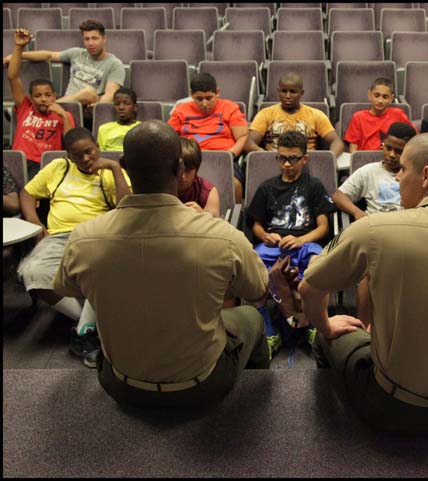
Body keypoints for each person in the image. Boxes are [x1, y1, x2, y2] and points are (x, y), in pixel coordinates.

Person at [298, 131, 428, 434]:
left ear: (425, 176)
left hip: (390, 408)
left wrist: (326, 325)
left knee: (327, 336)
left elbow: (309, 288)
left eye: (403, 169)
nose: (398, 178)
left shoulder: (374, 229)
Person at [53, 120, 270, 410]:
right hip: (201, 387)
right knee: (252, 319)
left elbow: (65, 287)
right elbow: (257, 289)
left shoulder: (84, 237)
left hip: (120, 385)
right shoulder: (223, 236)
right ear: (181, 168)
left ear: (124, 164)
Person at [17, 127, 131, 367]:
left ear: (97, 147)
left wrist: (114, 168)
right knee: (30, 272)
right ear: (68, 155)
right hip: (58, 237)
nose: (86, 159)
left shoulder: (110, 171)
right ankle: (88, 325)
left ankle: (86, 332)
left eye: (89, 152)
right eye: (78, 155)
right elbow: (27, 194)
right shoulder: (58, 168)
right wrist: (37, 226)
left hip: (97, 235)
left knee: (98, 269)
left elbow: (126, 207)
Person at [246, 131, 337, 359]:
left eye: (293, 158)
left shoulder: (313, 186)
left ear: (304, 159)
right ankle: (269, 332)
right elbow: (255, 225)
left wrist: (300, 240)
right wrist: (265, 235)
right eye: (282, 158)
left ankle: (314, 324)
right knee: (253, 269)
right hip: (273, 245)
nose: (286, 164)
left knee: (318, 265)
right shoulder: (267, 187)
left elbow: (324, 227)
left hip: (306, 242)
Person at [333, 122, 417, 326]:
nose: (391, 154)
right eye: (388, 148)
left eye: (399, 151)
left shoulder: (415, 175)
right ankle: (365, 327)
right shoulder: (369, 171)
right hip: (376, 232)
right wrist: (357, 212)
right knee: (369, 272)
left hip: (408, 233)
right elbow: (338, 195)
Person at [3, 20, 125, 116]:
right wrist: (16, 56)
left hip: (86, 108)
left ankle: (40, 109)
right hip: (66, 106)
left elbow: (110, 95)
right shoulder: (76, 53)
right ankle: (50, 107)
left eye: (95, 38)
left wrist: (97, 107)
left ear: (104, 39)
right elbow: (48, 55)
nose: (91, 43)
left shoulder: (115, 64)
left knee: (89, 92)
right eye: (87, 39)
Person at [168, 72, 248, 203]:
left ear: (217, 92)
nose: (204, 104)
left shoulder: (229, 107)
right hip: (188, 159)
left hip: (222, 158)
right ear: (191, 94)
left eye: (209, 98)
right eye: (199, 99)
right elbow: (169, 136)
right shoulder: (181, 110)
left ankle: (236, 217)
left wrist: (231, 154)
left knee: (235, 185)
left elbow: (243, 136)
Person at [7, 28, 75, 181]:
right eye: (38, 96)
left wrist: (63, 115)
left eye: (48, 95)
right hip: (19, 162)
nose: (43, 99)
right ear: (31, 98)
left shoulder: (64, 115)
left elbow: (72, 144)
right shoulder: (25, 108)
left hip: (46, 165)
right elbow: (12, 76)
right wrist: (19, 46)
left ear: (54, 96)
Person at [244, 72, 344, 159]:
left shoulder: (316, 115)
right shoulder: (265, 114)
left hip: (306, 164)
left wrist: (330, 158)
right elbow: (249, 144)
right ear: (278, 92)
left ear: (301, 93)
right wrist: (265, 156)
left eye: (293, 92)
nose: (287, 96)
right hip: (273, 162)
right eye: (284, 91)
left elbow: (337, 142)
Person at [344, 77, 416, 153]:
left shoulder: (398, 114)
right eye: (376, 95)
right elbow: (353, 149)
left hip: (392, 158)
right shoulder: (358, 117)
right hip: (366, 159)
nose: (380, 100)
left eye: (385, 97)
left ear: (391, 99)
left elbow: (414, 137)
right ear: (369, 95)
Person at [177, 137, 220, 218]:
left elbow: (214, 227)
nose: (183, 176)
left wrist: (202, 215)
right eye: (179, 170)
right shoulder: (160, 188)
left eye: (188, 171)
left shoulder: (208, 192)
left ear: (196, 169)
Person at [96, 87, 141, 151]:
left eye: (126, 104)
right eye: (117, 104)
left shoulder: (142, 129)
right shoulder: (103, 129)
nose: (121, 107)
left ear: (135, 107)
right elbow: (101, 154)